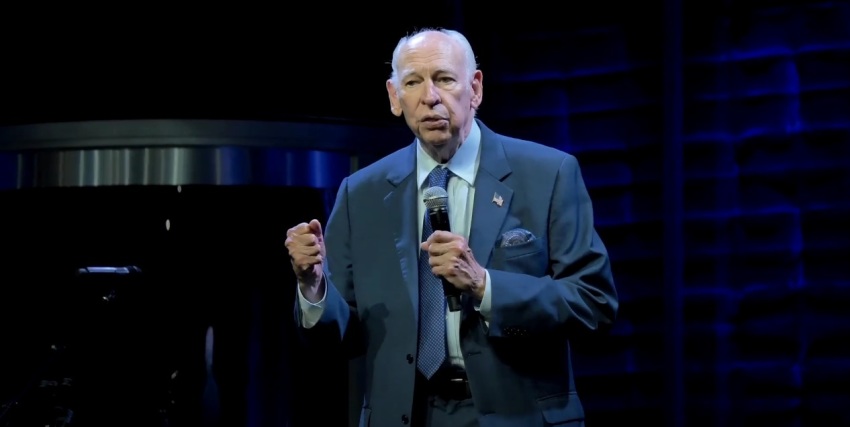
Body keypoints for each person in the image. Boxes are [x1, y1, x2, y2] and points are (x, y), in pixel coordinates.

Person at [286, 27, 618, 427]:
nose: (429, 97)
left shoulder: (548, 173)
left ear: (475, 88)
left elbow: (593, 304)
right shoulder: (361, 193)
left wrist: (485, 286)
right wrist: (314, 288)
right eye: (413, 82)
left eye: (444, 79)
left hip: (517, 416)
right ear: (394, 97)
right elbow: (339, 336)